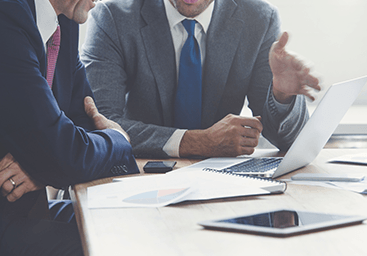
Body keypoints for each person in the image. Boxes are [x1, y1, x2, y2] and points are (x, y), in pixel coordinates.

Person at [0, 0, 138, 256]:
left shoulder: (62, 18)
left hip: (19, 211)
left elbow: (81, 122)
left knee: (138, 225)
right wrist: (119, 139)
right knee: (116, 255)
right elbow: (66, 152)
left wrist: (44, 160)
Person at [81, 0, 321, 159]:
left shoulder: (258, 18)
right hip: (138, 177)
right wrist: (195, 142)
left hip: (221, 186)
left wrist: (282, 95)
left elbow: (289, 143)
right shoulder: (112, 17)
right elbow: (100, 122)